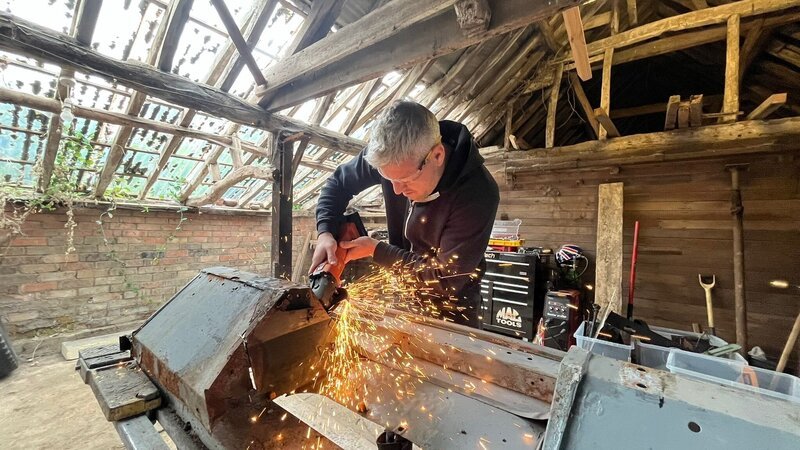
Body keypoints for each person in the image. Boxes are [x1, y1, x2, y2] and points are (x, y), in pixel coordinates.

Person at [310, 101, 499, 327]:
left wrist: (376, 249)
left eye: (405, 180)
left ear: (437, 155)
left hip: (450, 307)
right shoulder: (391, 156)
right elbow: (337, 184)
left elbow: (444, 279)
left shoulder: (477, 194)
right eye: (389, 180)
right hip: (400, 290)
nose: (397, 191)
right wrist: (325, 231)